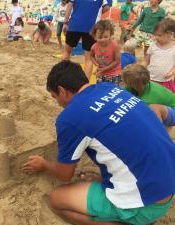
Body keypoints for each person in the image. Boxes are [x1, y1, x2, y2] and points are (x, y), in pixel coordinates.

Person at [22, 60, 175, 225]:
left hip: (146, 203)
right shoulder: (111, 88)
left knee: (56, 200)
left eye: (55, 97)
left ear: (61, 91)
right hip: (169, 183)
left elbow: (64, 174)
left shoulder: (69, 118)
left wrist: (43, 164)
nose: (58, 104)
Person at [62, 0, 110, 79]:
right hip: (91, 27)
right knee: (89, 58)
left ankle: (63, 76)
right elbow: (107, 7)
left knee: (67, 52)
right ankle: (85, 83)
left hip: (74, 25)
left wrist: (65, 23)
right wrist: (96, 13)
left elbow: (69, 6)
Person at [144, 18, 175, 92]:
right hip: (150, 79)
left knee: (164, 99)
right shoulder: (153, 46)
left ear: (171, 34)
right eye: (155, 35)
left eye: (159, 35)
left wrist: (173, 72)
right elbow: (146, 61)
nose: (156, 37)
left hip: (165, 81)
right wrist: (141, 68)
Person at [90, 20, 122, 85]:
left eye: (106, 37)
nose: (103, 39)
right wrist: (96, 64)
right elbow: (91, 56)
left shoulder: (114, 45)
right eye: (100, 37)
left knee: (113, 90)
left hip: (114, 72)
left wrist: (103, 69)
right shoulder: (94, 47)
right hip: (101, 72)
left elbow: (117, 61)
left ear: (110, 35)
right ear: (95, 36)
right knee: (100, 89)